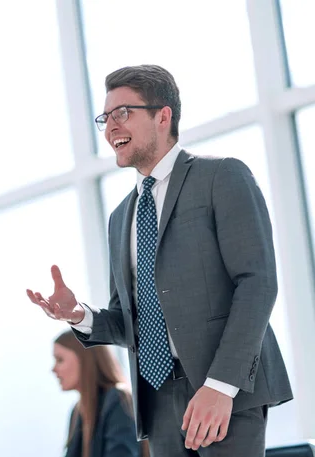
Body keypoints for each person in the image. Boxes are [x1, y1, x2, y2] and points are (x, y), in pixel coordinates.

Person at [27, 64, 293, 456]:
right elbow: (130, 321)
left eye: (123, 113)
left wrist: (220, 386)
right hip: (158, 398)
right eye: (105, 117)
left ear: (163, 115)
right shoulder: (121, 217)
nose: (110, 127)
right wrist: (79, 315)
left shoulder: (222, 176)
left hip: (224, 391)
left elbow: (257, 284)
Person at [52, 330, 142, 457]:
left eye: (60, 360)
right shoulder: (77, 411)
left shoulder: (118, 399)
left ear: (84, 358)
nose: (53, 369)